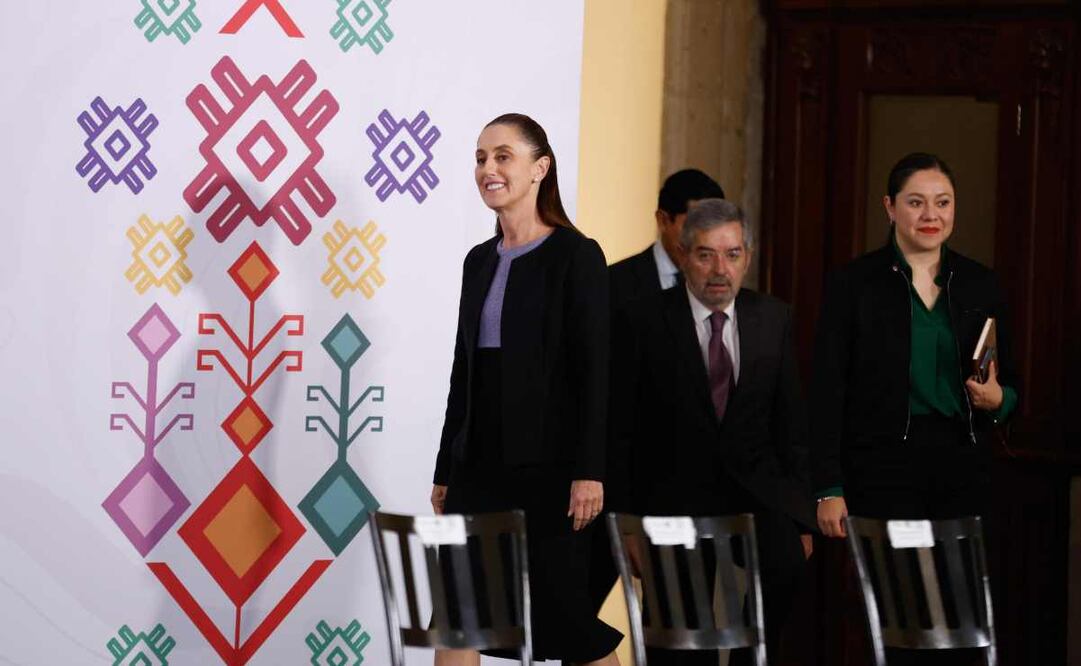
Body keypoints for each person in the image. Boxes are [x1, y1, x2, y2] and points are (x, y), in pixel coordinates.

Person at [810, 153, 1019, 664]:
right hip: (884, 468)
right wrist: (829, 487)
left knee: (961, 621)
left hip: (961, 465)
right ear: (890, 207)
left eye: (943, 203)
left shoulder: (979, 283)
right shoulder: (852, 285)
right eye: (917, 202)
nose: (932, 214)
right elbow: (826, 391)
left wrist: (1000, 401)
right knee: (899, 619)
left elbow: (1008, 387)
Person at [430, 113, 622, 666]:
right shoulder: (478, 262)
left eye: (503, 156)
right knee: (459, 617)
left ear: (540, 168)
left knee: (568, 627)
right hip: (478, 469)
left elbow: (594, 374)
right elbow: (463, 374)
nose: (488, 168)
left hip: (552, 474)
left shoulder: (576, 256)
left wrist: (591, 471)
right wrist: (447, 467)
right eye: (481, 157)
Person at [611, 199, 815, 665]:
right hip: (671, 495)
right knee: (678, 643)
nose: (720, 269)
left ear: (748, 255)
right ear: (683, 255)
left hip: (756, 491)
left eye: (733, 253)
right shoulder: (643, 319)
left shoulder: (773, 318)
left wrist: (801, 517)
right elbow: (619, 427)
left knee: (785, 570)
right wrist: (627, 523)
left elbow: (791, 425)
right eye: (706, 254)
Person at [608, 169, 725, 311]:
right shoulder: (613, 283)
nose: (706, 239)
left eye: (713, 226)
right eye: (695, 224)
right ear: (663, 221)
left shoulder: (724, 280)